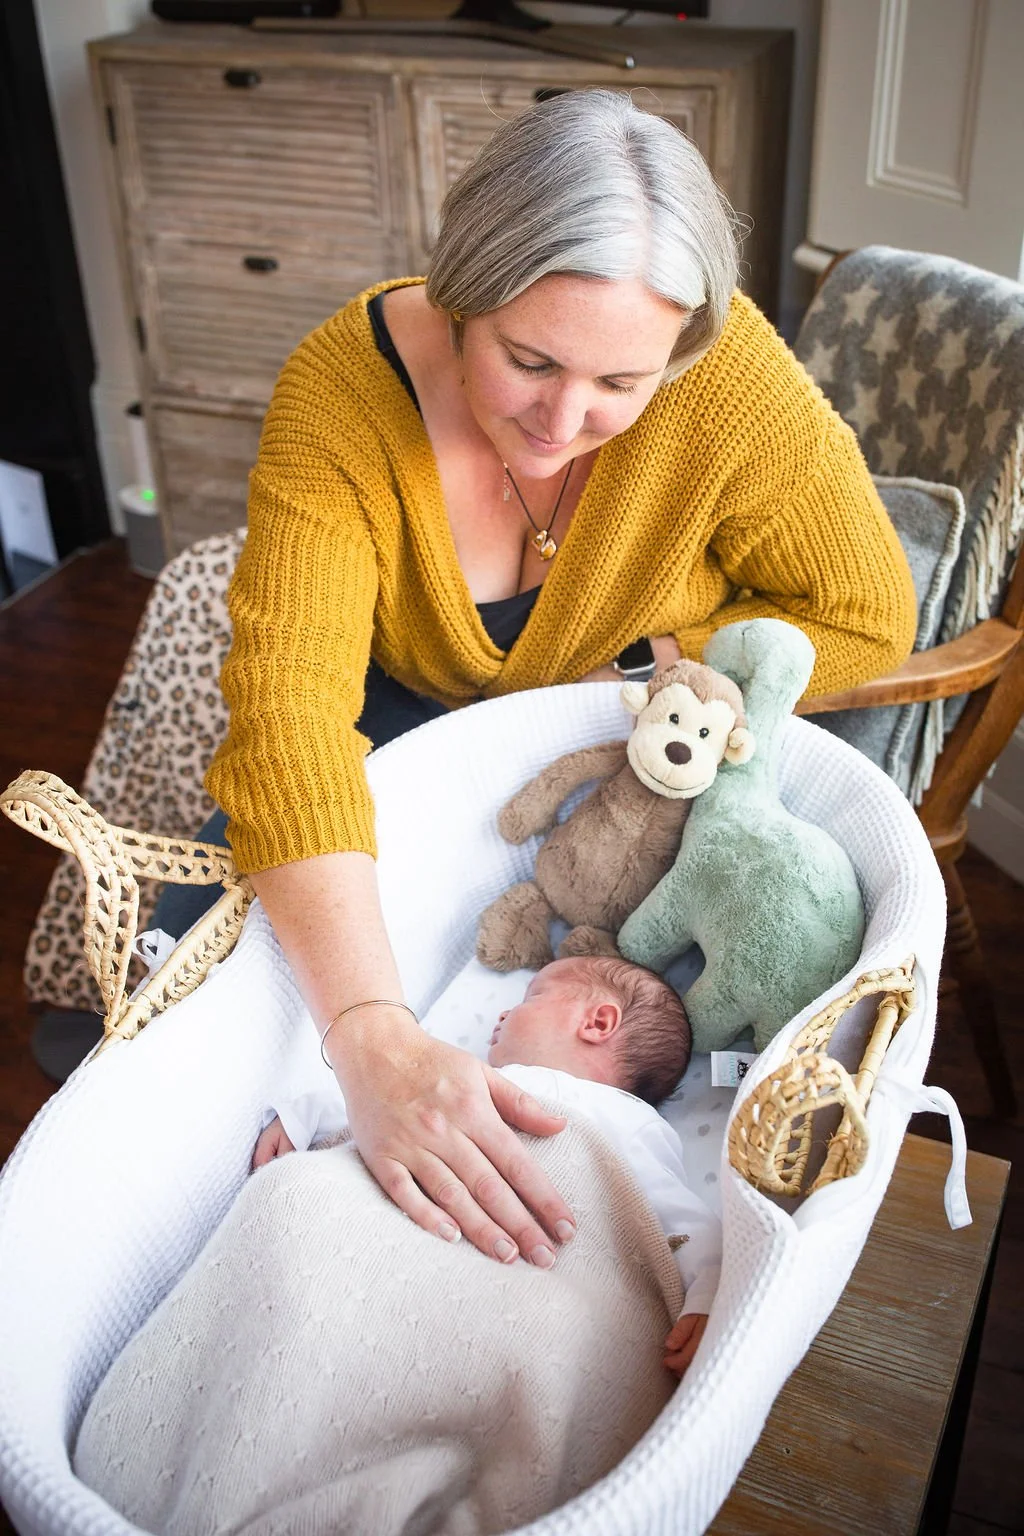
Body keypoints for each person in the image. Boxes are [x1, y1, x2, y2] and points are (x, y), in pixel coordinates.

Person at [195, 89, 914, 1273]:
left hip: (638, 722)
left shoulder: (725, 381)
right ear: (461, 292)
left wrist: (660, 670)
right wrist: (372, 1036)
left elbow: (863, 609)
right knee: (217, 962)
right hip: (394, 712)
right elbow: (286, 719)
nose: (564, 422)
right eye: (527, 360)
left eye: (620, 386)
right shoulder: (339, 395)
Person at [253, 955, 721, 1378]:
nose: (503, 1013)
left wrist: (705, 1301)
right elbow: (387, 1099)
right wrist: (305, 1116)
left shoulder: (625, 1118)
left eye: (532, 996)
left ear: (598, 1022)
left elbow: (682, 1224)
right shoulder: (469, 1075)